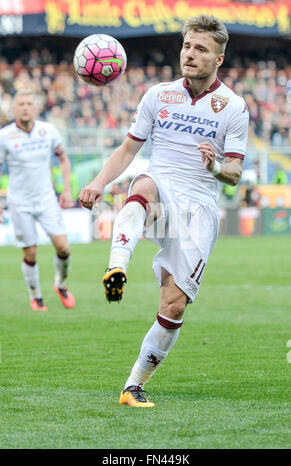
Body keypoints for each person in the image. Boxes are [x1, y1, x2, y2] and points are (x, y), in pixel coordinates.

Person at [79, 15, 249, 407]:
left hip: (199, 209)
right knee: (143, 185)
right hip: (162, 187)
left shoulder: (234, 107)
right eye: (187, 46)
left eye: (200, 49)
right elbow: (127, 150)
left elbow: (235, 173)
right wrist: (99, 184)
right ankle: (116, 266)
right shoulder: (158, 94)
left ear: (218, 59)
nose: (190, 54)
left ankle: (132, 387)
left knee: (173, 306)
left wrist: (214, 167)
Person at [0, 90, 75, 311]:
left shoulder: (48, 131)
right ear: (14, 109)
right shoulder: (4, 136)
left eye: (29, 104)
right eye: (20, 104)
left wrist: (67, 190)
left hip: (46, 199)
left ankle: (60, 284)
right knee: (30, 252)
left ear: (35, 108)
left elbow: (63, 159)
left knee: (63, 248)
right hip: (19, 202)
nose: (25, 107)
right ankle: (36, 296)